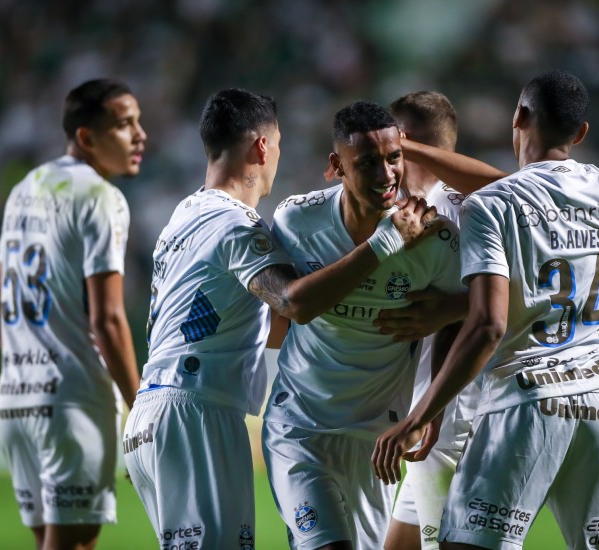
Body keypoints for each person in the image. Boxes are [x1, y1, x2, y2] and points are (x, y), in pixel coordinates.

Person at [122, 89, 439, 550]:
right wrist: (385, 242)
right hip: (196, 411)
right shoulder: (234, 225)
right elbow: (293, 302)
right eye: (280, 144)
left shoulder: (183, 216)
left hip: (153, 411)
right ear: (262, 147)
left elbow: (266, 324)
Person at [372, 70, 599, 550]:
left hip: (526, 402)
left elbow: (488, 325)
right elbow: (516, 194)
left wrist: (417, 416)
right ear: (581, 134)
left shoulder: (488, 208)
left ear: (518, 117)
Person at [261, 100, 464, 550]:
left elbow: (456, 317)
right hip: (301, 428)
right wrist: (387, 241)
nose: (386, 174)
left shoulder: (438, 238)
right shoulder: (298, 220)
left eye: (394, 159)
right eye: (367, 162)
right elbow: (294, 306)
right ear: (336, 166)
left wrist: (432, 409)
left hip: (376, 440)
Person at [0, 78, 145, 550]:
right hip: (72, 402)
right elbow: (108, 319)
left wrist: (31, 369)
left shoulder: (24, 188)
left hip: (15, 399)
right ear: (86, 137)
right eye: (124, 124)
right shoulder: (100, 197)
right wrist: (140, 409)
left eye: (139, 122)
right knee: (75, 541)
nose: (141, 135)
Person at [383, 91, 503, 550]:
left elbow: (496, 304)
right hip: (428, 412)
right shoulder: (423, 204)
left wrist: (428, 413)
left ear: (404, 142)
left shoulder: (458, 209)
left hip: (447, 417)